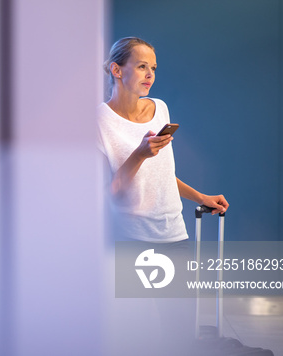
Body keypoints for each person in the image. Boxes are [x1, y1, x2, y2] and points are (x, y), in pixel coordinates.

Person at [97, 37, 229, 355]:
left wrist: (200, 196)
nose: (149, 74)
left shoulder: (160, 109)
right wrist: (140, 154)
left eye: (153, 68)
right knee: (136, 338)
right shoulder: (99, 122)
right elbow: (109, 193)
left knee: (180, 334)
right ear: (116, 69)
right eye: (142, 66)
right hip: (132, 241)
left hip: (174, 233)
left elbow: (161, 174)